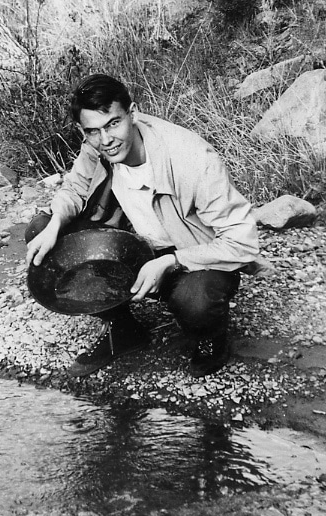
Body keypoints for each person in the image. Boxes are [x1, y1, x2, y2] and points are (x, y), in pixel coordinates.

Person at [25, 74, 259, 378]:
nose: (106, 139)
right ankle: (124, 330)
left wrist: (171, 261)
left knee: (196, 301)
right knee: (41, 229)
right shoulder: (96, 144)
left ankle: (210, 340)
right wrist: (56, 222)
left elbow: (242, 241)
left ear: (132, 113)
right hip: (137, 244)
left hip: (191, 254)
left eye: (113, 124)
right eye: (93, 131)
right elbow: (74, 189)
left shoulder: (193, 159)